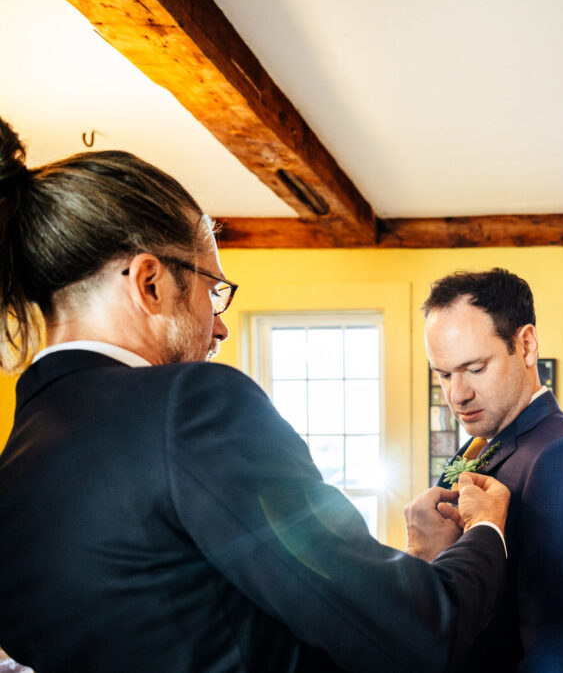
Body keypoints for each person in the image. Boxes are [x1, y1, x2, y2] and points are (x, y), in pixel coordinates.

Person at [0, 116, 511, 673]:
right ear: (150, 282)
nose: (219, 326)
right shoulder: (190, 406)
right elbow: (420, 636)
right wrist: (485, 530)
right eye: (213, 290)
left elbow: (208, 613)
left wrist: (414, 558)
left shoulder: (17, 464)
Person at [423, 268, 563, 673]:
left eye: (475, 368)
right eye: (444, 374)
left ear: (527, 345)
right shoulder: (480, 444)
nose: (457, 394)